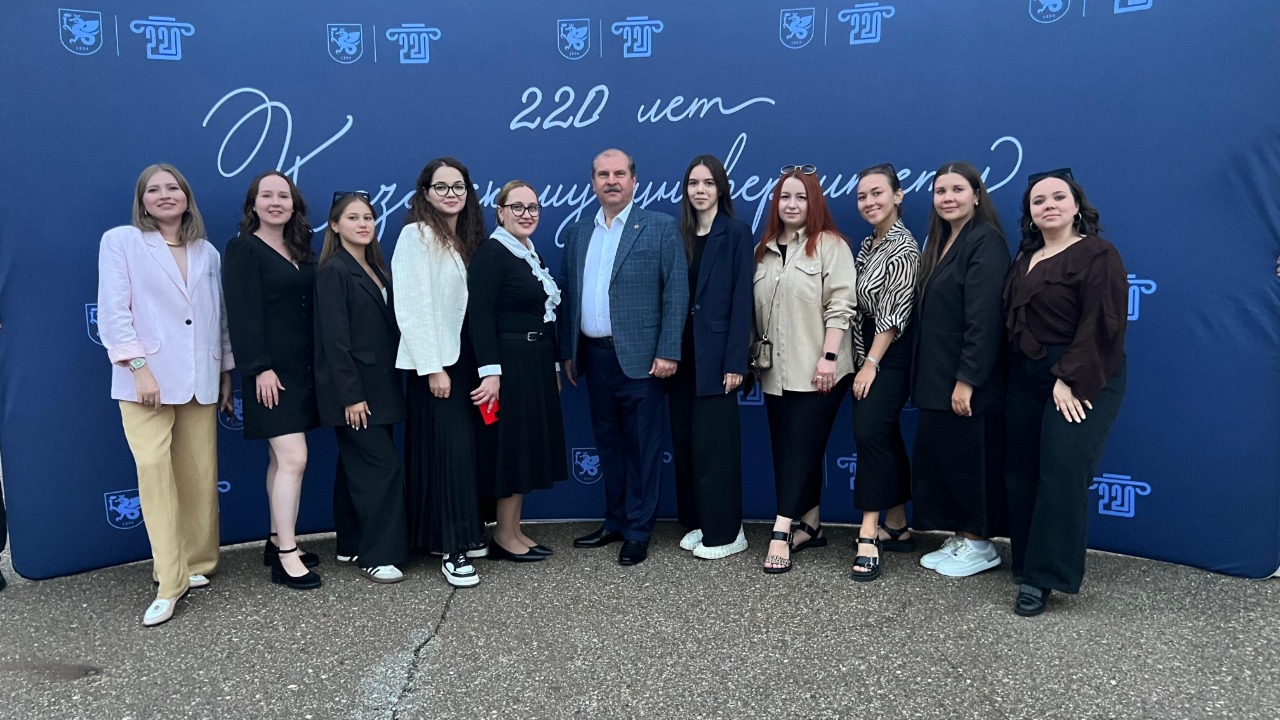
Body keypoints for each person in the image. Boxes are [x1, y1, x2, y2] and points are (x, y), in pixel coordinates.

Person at [97, 163, 234, 626]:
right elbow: (114, 311)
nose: (164, 195)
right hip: (146, 383)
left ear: (186, 196)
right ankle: (169, 581)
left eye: (172, 187)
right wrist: (139, 368)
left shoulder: (207, 252)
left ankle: (196, 563)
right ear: (142, 201)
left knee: (198, 477)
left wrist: (225, 370)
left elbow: (217, 316)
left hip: (200, 379)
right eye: (153, 190)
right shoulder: (122, 241)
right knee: (155, 475)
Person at [1003, 169, 1128, 616]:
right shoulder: (1025, 257)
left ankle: (1044, 577)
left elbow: (1103, 322)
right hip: (1025, 375)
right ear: (1030, 214)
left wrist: (1069, 377)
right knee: (1021, 470)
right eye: (1038, 201)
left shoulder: (1098, 254)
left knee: (1062, 469)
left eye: (1058, 197)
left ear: (1077, 205)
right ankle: (1026, 562)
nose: (1049, 205)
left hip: (1083, 374)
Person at [559, 148, 688, 567]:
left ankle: (637, 530)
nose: (611, 181)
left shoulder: (660, 227)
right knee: (608, 444)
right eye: (603, 174)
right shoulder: (579, 231)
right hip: (594, 358)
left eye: (619, 174)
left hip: (642, 361)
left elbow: (676, 293)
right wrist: (568, 353)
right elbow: (570, 296)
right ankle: (614, 520)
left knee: (642, 447)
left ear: (634, 180)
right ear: (593, 182)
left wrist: (668, 350)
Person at [753, 165, 856, 574]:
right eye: (785, 196)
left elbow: (841, 305)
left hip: (819, 371)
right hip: (775, 373)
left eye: (801, 197)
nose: (792, 204)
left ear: (814, 203)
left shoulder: (831, 246)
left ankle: (781, 530)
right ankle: (811, 526)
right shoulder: (762, 251)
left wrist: (828, 357)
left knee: (800, 447)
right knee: (788, 448)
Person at [911, 161, 1011, 579]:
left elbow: (984, 318)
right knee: (948, 461)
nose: (948, 198)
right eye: (940, 191)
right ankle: (961, 536)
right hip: (937, 378)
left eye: (957, 189)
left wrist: (967, 380)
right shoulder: (941, 241)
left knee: (970, 462)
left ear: (976, 195)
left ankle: (980, 544)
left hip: (967, 381)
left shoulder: (985, 240)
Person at [224, 170, 322, 590]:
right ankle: (286, 557)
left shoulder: (300, 248)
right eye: (267, 195)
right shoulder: (243, 248)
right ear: (253, 205)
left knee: (281, 461)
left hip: (302, 371)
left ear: (294, 205)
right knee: (294, 458)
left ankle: (276, 540)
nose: (276, 202)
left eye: (283, 196)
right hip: (269, 374)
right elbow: (242, 313)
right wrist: (258, 367)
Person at [393, 157, 488, 588]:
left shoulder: (467, 239)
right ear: (425, 193)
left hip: (466, 359)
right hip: (437, 363)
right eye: (442, 187)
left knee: (461, 453)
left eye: (459, 186)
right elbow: (413, 307)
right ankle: (453, 550)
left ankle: (458, 532)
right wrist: (433, 368)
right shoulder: (416, 235)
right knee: (448, 453)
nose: (452, 194)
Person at [315, 192, 411, 584]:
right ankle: (377, 554)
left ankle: (350, 542)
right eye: (353, 218)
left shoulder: (375, 268)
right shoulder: (334, 270)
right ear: (335, 226)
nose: (362, 224)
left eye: (368, 217)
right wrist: (351, 396)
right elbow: (335, 341)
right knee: (382, 469)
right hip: (356, 394)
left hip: (383, 389)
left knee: (354, 466)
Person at [468, 181, 567, 563]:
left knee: (525, 446)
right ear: (500, 211)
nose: (527, 214)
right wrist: (490, 373)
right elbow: (480, 317)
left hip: (535, 361)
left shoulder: (527, 252)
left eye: (533, 207)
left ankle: (514, 529)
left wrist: (553, 365)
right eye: (518, 207)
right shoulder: (492, 254)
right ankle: (504, 536)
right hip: (509, 364)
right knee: (511, 448)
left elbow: (543, 317)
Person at [668, 155, 754, 560]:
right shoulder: (680, 233)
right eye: (693, 183)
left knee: (716, 448)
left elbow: (742, 300)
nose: (699, 190)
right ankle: (701, 522)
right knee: (688, 443)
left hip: (718, 358)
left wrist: (736, 362)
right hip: (681, 358)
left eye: (707, 183)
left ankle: (728, 533)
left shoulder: (736, 232)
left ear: (721, 188)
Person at [848, 164, 920, 582]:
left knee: (869, 432)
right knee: (885, 434)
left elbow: (893, 316)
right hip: (868, 350)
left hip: (890, 352)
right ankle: (897, 525)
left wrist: (871, 365)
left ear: (897, 196)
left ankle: (869, 532)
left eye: (877, 193)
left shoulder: (904, 247)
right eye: (862, 196)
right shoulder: (868, 244)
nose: (869, 202)